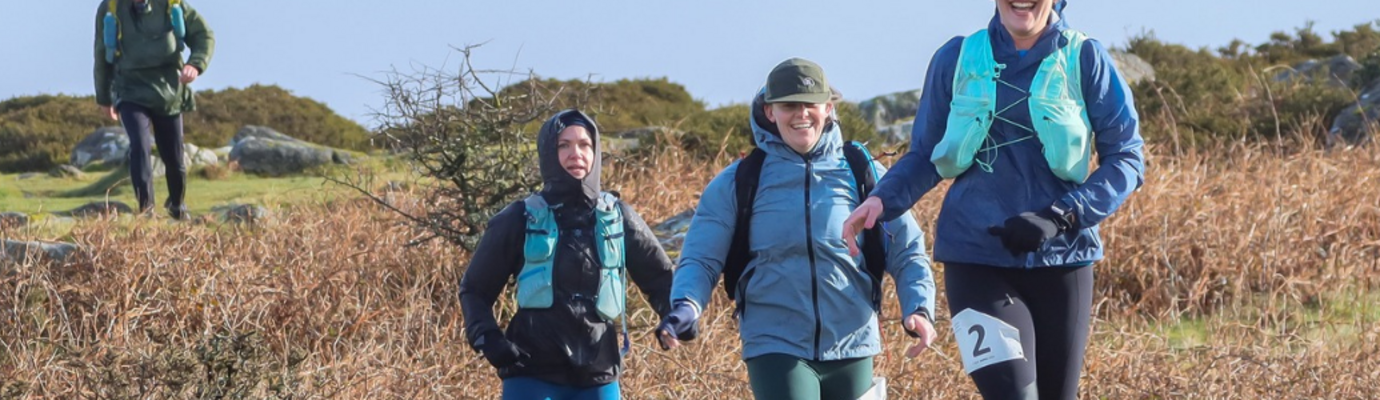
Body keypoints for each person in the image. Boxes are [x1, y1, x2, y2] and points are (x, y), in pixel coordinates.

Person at [842, 1, 1145, 398]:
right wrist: (881, 200)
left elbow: (1127, 158)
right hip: (975, 259)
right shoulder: (955, 57)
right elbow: (924, 155)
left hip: (1063, 261)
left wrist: (1062, 215)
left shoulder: (1085, 57)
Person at [658, 58, 937, 400]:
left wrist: (919, 309)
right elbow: (701, 258)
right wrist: (686, 304)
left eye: (811, 105)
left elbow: (907, 250)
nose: (801, 114)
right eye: (789, 105)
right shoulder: (739, 181)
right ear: (770, 111)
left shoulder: (863, 171)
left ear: (829, 108)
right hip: (775, 344)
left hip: (854, 342)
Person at [458, 109, 675, 400]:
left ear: (595, 151)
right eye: (564, 145)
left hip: (600, 373)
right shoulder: (519, 217)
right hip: (531, 372)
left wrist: (673, 317)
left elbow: (661, 277)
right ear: (549, 152)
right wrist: (488, 338)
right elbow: (473, 289)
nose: (576, 153)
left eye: (585, 144)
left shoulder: (618, 216)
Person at [93, 0, 214, 219]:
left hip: (169, 92)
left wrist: (195, 64)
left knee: (174, 157)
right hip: (129, 90)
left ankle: (177, 205)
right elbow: (101, 53)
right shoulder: (110, 8)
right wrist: (104, 97)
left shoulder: (172, 5)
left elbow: (203, 35)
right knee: (140, 145)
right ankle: (146, 210)